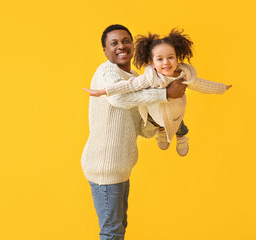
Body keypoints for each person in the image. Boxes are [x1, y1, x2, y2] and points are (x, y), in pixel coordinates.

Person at [81, 24, 186, 240]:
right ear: (105, 50)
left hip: (122, 166)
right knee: (112, 232)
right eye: (114, 43)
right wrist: (165, 94)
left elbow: (142, 128)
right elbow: (118, 99)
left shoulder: (137, 78)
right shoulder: (106, 70)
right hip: (105, 166)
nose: (121, 46)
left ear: (133, 45)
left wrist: (161, 119)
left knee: (119, 228)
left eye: (126, 41)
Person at [84, 29, 232, 157]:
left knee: (180, 127)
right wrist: (105, 90)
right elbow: (129, 85)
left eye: (170, 58)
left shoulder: (183, 75)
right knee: (155, 123)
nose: (166, 62)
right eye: (160, 59)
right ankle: (160, 130)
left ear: (177, 58)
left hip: (174, 114)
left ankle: (181, 138)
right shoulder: (149, 78)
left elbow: (201, 84)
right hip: (154, 115)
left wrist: (221, 88)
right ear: (153, 63)